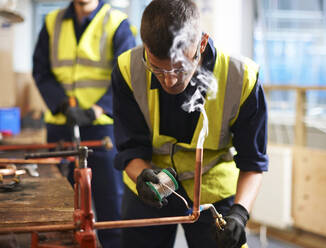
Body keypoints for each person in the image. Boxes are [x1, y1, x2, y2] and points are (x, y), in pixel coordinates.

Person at [112, 0, 268, 247]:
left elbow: (253, 161)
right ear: (146, 48)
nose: (170, 81)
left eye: (180, 68)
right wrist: (141, 176)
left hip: (214, 192)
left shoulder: (242, 78)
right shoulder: (128, 69)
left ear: (202, 42)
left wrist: (240, 212)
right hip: (152, 186)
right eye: (158, 69)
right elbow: (130, 148)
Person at [32, 0, 136, 247]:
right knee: (58, 212)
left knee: (110, 208)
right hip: (61, 125)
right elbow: (41, 71)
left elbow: (127, 73)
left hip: (101, 128)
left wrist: (97, 109)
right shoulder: (52, 22)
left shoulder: (117, 23)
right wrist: (62, 105)